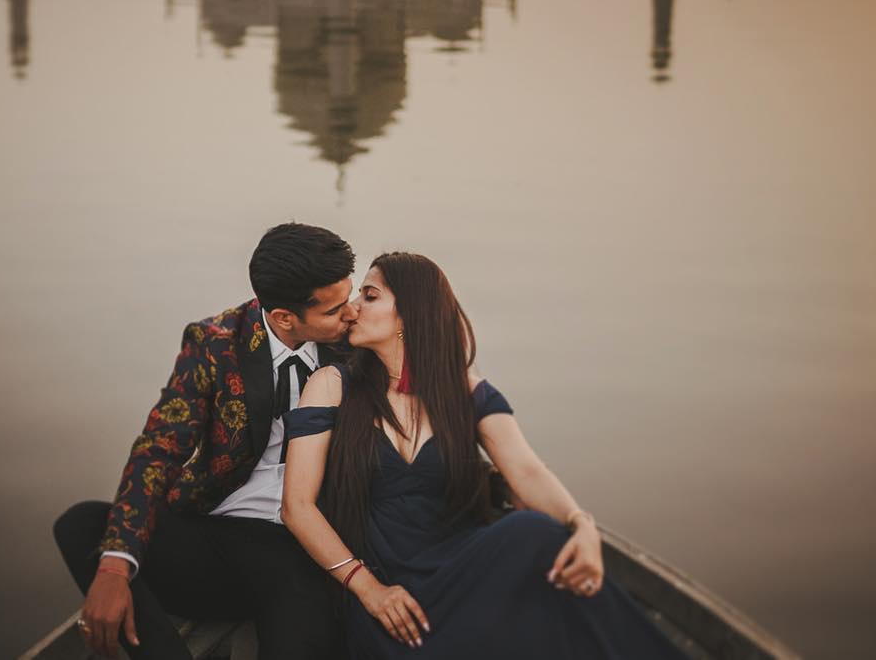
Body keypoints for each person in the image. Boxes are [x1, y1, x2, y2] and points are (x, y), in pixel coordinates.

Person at [281, 252, 689, 659]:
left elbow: (525, 470)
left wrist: (581, 525)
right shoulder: (332, 385)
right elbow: (297, 507)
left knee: (535, 533)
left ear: (408, 315)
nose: (351, 310)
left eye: (369, 297)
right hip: (385, 589)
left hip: (464, 569)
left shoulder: (465, 391)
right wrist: (369, 589)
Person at [53, 223, 357, 660]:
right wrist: (116, 565)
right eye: (335, 310)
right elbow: (158, 449)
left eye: (349, 298)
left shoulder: (360, 341)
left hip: (305, 546)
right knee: (83, 525)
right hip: (216, 533)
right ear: (284, 318)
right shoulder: (216, 344)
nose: (350, 315)